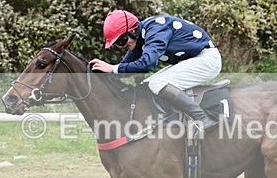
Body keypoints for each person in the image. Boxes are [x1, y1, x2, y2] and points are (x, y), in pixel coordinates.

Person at [89, 10, 222, 131]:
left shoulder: (156, 29)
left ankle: (202, 118)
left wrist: (113, 68)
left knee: (157, 83)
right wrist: (102, 75)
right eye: (118, 43)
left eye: (122, 40)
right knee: (147, 83)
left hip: (207, 59)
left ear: (133, 30)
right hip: (192, 60)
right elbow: (124, 69)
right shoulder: (140, 38)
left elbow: (148, 64)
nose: (122, 46)